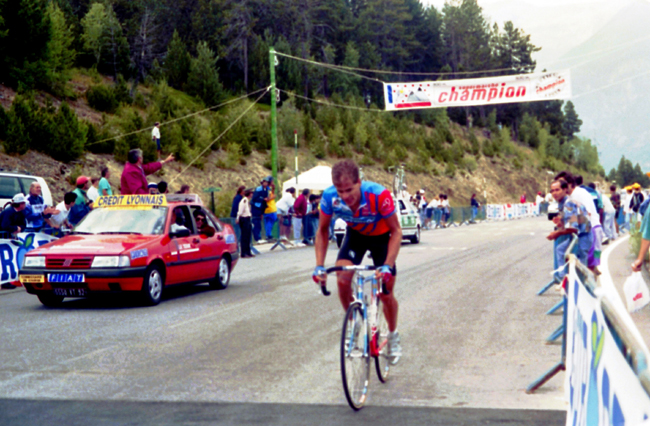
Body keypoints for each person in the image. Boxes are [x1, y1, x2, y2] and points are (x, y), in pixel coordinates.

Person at [312, 159, 403, 363]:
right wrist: (319, 265)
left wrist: (387, 265)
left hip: (382, 237)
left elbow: (397, 231)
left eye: (349, 190)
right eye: (340, 190)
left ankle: (393, 334)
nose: (345, 196)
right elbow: (323, 230)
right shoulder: (328, 197)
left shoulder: (379, 195)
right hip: (356, 235)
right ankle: (354, 323)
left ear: (359, 182)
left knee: (386, 292)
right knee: (342, 278)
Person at [546, 179, 590, 276]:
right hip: (579, 235)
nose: (554, 193)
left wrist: (556, 233)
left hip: (582, 236)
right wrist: (560, 222)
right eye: (552, 191)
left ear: (565, 189)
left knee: (581, 270)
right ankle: (564, 278)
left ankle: (565, 279)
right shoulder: (563, 203)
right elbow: (568, 222)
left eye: (557, 190)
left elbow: (573, 228)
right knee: (560, 250)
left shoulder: (568, 203)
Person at [251, 177, 271, 243]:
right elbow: (254, 198)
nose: (265, 183)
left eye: (267, 182)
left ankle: (259, 237)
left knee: (259, 224)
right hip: (256, 208)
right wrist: (263, 199)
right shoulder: (258, 189)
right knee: (256, 223)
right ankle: (257, 238)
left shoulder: (266, 190)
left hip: (261, 208)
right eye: (264, 182)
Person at [236, 189, 254, 258]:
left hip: (248, 219)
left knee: (248, 236)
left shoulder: (247, 201)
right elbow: (240, 211)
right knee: (244, 236)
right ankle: (243, 253)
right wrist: (238, 218)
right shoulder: (244, 201)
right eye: (251, 193)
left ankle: (248, 251)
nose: (252, 195)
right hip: (244, 219)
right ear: (249, 194)